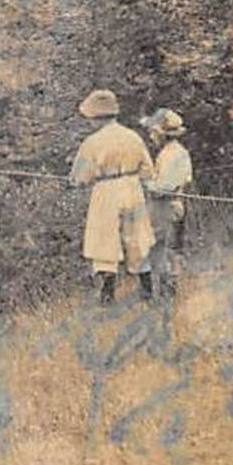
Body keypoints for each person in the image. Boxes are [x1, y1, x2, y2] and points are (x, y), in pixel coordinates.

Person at [69, 88, 156, 304]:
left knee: (104, 241)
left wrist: (74, 181)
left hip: (106, 192)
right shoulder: (132, 137)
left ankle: (107, 297)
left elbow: (79, 177)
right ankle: (147, 292)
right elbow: (148, 170)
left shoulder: (92, 143)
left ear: (96, 117)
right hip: (132, 189)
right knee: (137, 239)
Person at [141, 107, 193, 294]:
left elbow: (164, 188)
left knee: (165, 251)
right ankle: (167, 292)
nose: (150, 136)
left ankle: (169, 294)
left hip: (167, 208)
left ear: (160, 133)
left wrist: (146, 183)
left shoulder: (173, 154)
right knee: (166, 251)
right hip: (168, 207)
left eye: (152, 132)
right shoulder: (172, 152)